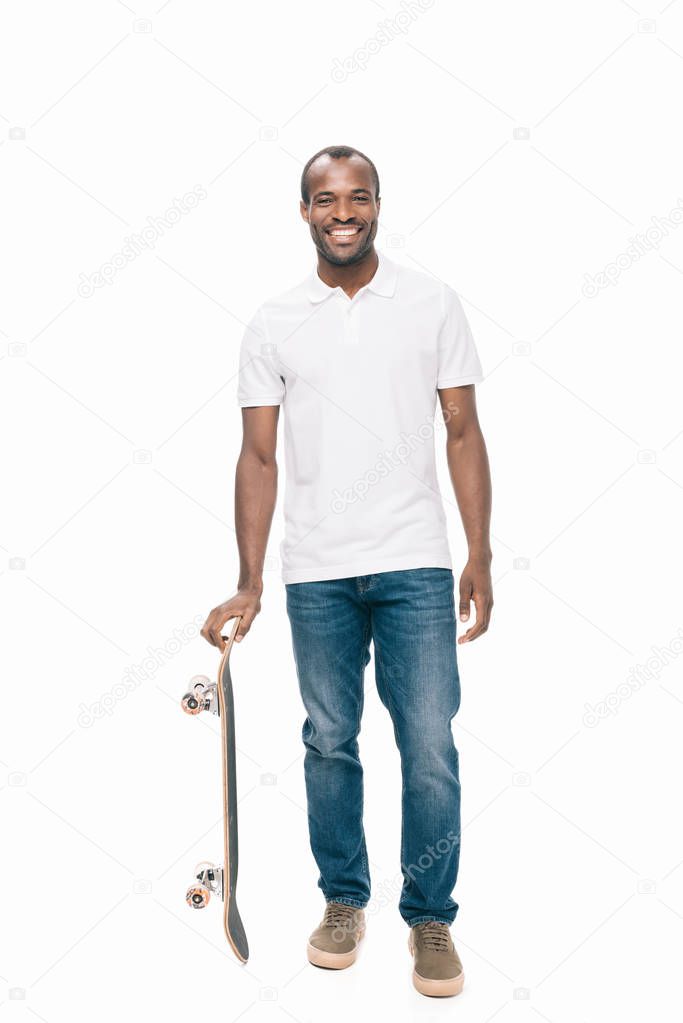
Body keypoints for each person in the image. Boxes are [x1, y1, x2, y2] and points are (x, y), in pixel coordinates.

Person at [201, 145, 493, 998]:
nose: (342, 211)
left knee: (429, 744)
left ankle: (429, 916)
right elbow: (258, 457)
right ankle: (342, 900)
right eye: (325, 198)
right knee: (329, 740)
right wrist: (249, 579)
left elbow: (464, 432)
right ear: (303, 212)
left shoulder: (432, 303)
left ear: (376, 206)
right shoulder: (274, 320)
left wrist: (477, 550)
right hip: (316, 572)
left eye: (356, 197)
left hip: (415, 563)